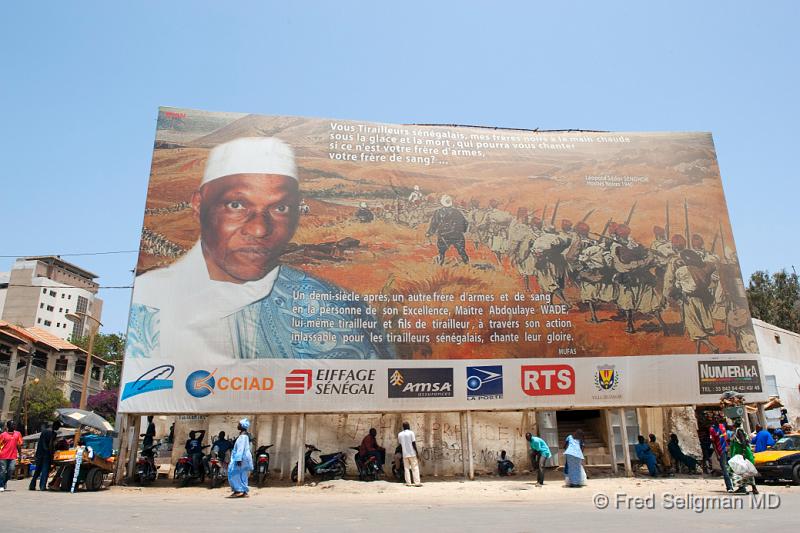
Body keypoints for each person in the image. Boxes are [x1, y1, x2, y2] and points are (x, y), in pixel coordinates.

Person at [129, 137, 394, 361]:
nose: (259, 229)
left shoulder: (332, 307)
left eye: (279, 208)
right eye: (236, 205)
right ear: (199, 204)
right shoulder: (149, 300)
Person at [426, 194, 470, 265]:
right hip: (457, 235)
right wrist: (462, 231)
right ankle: (467, 265)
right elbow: (465, 223)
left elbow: (434, 224)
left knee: (442, 252)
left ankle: (440, 265)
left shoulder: (438, 212)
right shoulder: (457, 212)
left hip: (443, 236)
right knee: (462, 251)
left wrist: (429, 233)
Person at [29, 420, 62, 491]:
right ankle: (42, 486)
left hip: (39, 453)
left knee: (37, 470)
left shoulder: (44, 431)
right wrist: (51, 453)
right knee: (45, 470)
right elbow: (50, 444)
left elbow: (42, 442)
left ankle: (32, 485)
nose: (58, 429)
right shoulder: (53, 433)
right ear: (55, 426)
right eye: (58, 427)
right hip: (46, 454)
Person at [729, 420, 758, 494]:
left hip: (742, 454)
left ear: (734, 425)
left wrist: (744, 453)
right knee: (742, 471)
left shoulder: (739, 431)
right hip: (739, 454)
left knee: (745, 471)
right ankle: (743, 487)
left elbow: (743, 441)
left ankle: (749, 488)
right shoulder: (736, 432)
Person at [228, 419, 253, 498]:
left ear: (242, 426)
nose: (237, 425)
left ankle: (238, 491)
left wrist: (238, 459)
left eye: (239, 424)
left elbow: (240, 449)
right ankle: (244, 491)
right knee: (243, 474)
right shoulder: (245, 436)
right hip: (244, 458)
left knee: (234, 473)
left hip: (240, 458)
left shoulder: (242, 437)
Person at [709, 418, 733, 492]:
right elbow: (713, 443)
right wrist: (717, 454)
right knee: (725, 469)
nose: (716, 420)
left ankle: (739, 486)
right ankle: (729, 487)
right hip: (720, 451)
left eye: (717, 419)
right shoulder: (712, 429)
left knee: (732, 468)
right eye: (715, 419)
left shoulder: (722, 426)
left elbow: (726, 438)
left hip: (728, 449)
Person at [0, 420, 23, 492]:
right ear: (8, 426)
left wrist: (20, 454)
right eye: (12, 425)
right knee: (2, 471)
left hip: (13, 456)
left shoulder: (18, 434)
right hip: (3, 456)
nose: (14, 426)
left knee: (11, 470)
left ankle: (4, 482)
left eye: (14, 425)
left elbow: (19, 445)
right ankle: (1, 485)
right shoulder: (3, 435)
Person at [398, 422, 421, 487]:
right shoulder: (411, 433)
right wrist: (416, 452)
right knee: (415, 468)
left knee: (406, 468)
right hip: (412, 453)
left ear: (403, 427)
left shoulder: (400, 434)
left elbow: (400, 444)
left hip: (405, 454)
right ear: (408, 426)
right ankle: (417, 483)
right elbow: (413, 443)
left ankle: (408, 483)